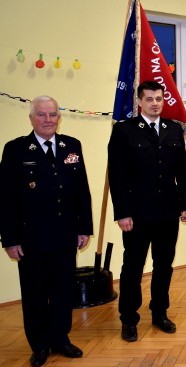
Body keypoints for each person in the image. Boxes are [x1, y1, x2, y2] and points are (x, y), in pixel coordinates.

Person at [0, 96, 93, 366]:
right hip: (32, 238)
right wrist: (10, 238)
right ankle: (39, 344)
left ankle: (61, 339)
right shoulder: (16, 149)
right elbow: (5, 199)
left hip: (65, 235)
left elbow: (81, 192)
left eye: (52, 114)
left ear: (59, 117)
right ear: (31, 118)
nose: (48, 119)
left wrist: (83, 227)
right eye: (41, 115)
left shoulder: (71, 146)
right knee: (35, 292)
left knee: (64, 290)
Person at [108, 81, 186, 342]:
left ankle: (159, 312)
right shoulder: (125, 131)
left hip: (168, 212)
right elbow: (117, 176)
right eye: (150, 99)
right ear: (140, 102)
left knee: (164, 265)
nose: (155, 103)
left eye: (159, 98)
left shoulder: (172, 130)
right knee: (132, 267)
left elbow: (182, 170)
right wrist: (122, 213)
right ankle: (128, 319)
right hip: (137, 214)